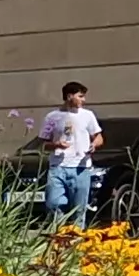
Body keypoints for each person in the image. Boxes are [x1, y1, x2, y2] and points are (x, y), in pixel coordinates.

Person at [40, 82, 104, 227]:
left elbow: (99, 137)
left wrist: (94, 145)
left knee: (79, 210)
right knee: (54, 204)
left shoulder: (88, 115)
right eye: (80, 96)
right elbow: (42, 144)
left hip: (80, 168)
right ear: (69, 96)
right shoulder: (52, 117)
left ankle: (77, 243)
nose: (84, 100)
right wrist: (56, 145)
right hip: (58, 167)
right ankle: (60, 239)